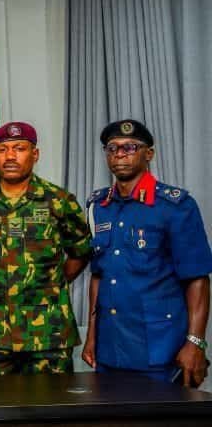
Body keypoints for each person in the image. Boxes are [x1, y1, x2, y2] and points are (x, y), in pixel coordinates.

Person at [82, 119, 211, 387]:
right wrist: (92, 336)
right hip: (110, 347)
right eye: (112, 148)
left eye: (130, 147)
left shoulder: (175, 206)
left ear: (148, 154)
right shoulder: (99, 206)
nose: (120, 154)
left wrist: (195, 343)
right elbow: (98, 275)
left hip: (160, 348)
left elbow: (197, 278)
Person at [0, 122, 91, 375]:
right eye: (2, 150)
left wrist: (48, 283)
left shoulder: (59, 201)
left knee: (52, 400)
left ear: (35, 154)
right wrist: (2, 281)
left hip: (49, 331)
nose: (10, 156)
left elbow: (80, 252)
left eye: (19, 148)